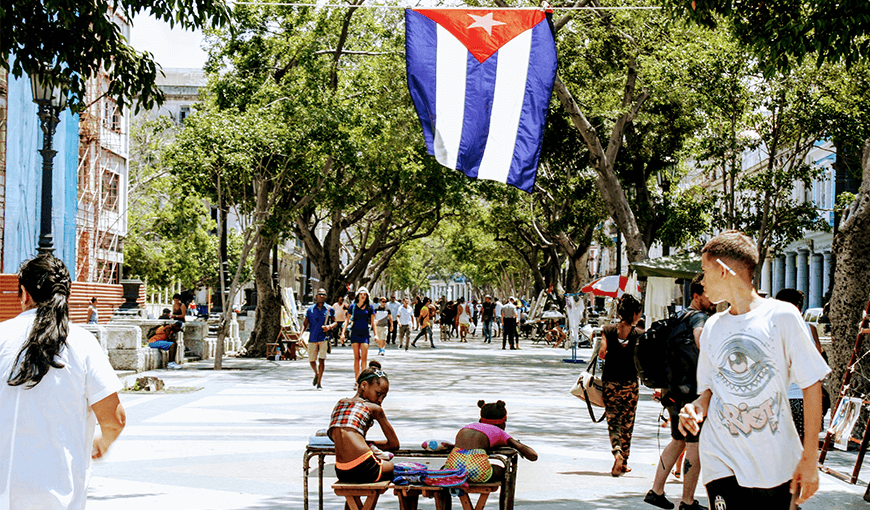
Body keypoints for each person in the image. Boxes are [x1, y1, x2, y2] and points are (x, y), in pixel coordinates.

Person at [679, 231, 830, 509]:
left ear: (723, 271)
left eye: (705, 271)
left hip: (775, 465)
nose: (701, 280)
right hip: (721, 459)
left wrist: (810, 457)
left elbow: (811, 384)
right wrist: (695, 408)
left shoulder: (782, 316)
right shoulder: (713, 326)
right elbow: (709, 391)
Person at [0, 254, 125, 508]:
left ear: (23, 294)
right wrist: (102, 443)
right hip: (60, 497)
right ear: (65, 295)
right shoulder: (82, 343)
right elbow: (115, 419)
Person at [645, 274, 716, 510]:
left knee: (678, 440)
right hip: (690, 392)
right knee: (694, 444)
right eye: (708, 295)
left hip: (672, 389)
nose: (713, 299)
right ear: (696, 296)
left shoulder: (678, 317)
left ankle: (656, 491)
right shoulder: (699, 317)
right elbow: (700, 339)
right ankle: (687, 501)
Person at [327, 362, 399, 483]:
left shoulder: (340, 403)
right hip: (365, 466)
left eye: (383, 397)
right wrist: (368, 444)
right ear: (364, 385)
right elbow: (394, 444)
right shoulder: (373, 408)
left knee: (354, 490)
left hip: (341, 470)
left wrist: (363, 442)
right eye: (378, 394)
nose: (380, 400)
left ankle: (352, 503)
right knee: (399, 470)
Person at [598, 293, 643, 477]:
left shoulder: (608, 330)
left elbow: (602, 353)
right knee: (627, 423)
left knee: (613, 421)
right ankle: (624, 462)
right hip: (630, 384)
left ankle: (617, 452)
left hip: (610, 383)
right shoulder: (639, 334)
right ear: (633, 314)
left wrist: (613, 353)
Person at [775, 288, 827, 442]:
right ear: (799, 307)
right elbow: (817, 362)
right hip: (804, 396)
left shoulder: (769, 328)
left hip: (778, 397)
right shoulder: (810, 329)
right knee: (804, 444)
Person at [443, 400, 538, 482]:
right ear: (503, 423)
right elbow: (533, 456)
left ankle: (441, 501)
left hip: (453, 469)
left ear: (480, 420)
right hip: (477, 471)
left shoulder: (467, 427)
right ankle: (505, 502)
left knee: (443, 471)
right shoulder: (500, 432)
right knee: (505, 472)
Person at [340, 287, 380, 382]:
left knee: (364, 358)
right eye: (361, 294)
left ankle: (363, 380)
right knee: (356, 357)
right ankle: (357, 380)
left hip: (365, 333)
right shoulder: (353, 307)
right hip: (355, 333)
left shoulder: (370, 307)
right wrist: (343, 333)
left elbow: (373, 322)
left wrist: (376, 334)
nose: (363, 296)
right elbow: (347, 320)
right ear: (358, 295)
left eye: (365, 295)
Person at [302, 288, 336, 390]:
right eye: (319, 294)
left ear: (326, 296)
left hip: (323, 338)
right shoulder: (310, 309)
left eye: (323, 294)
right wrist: (300, 336)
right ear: (316, 296)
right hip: (312, 338)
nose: (321, 296)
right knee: (312, 360)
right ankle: (316, 373)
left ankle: (319, 382)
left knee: (321, 360)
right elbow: (305, 324)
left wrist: (329, 327)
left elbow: (335, 322)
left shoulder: (330, 309)